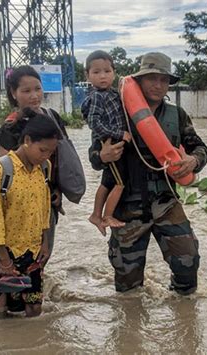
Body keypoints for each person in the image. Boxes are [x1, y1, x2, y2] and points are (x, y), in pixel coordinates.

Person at [89, 52, 207, 295]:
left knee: (188, 261)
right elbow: (94, 156)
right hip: (126, 206)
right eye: (151, 78)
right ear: (139, 81)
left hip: (166, 201)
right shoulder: (116, 111)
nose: (158, 85)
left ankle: (183, 319)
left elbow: (200, 147)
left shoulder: (177, 115)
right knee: (127, 284)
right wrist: (103, 156)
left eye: (163, 80)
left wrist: (193, 160)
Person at [0, 109, 61, 317]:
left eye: (51, 152)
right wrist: (4, 259)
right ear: (27, 140)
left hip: (31, 250)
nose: (46, 156)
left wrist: (45, 241)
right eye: (43, 150)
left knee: (34, 308)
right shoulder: (2, 169)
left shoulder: (44, 168)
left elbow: (44, 207)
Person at [0, 65, 71, 253]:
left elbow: (61, 158)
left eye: (37, 89)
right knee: (20, 254)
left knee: (44, 253)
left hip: (49, 200)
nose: (34, 95)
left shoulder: (52, 118)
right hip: (18, 206)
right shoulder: (10, 128)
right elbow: (5, 175)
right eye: (26, 91)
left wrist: (58, 190)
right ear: (13, 93)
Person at [81, 50, 131, 236]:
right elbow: (94, 123)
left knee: (108, 181)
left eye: (107, 71)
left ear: (114, 72)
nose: (102, 76)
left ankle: (95, 214)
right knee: (119, 183)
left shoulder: (113, 93)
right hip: (110, 143)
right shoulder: (97, 97)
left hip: (114, 143)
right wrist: (120, 133)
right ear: (87, 75)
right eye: (96, 72)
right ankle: (107, 216)